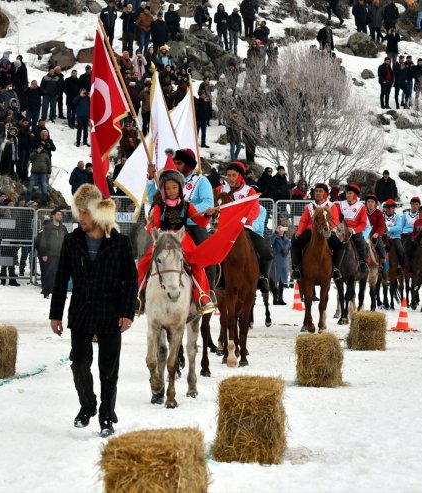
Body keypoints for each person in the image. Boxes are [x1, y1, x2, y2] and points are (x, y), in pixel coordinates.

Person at [49, 184, 138, 438]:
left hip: (110, 313)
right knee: (79, 364)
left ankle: (107, 415)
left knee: (108, 371)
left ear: (97, 212)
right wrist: (56, 314)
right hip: (80, 312)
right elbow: (60, 279)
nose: (81, 218)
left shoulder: (119, 242)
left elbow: (130, 280)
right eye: (78, 213)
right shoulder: (72, 240)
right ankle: (87, 405)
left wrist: (127, 312)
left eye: (84, 212)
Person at [136, 167, 215, 315]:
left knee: (196, 261)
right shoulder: (160, 206)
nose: (172, 191)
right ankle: (137, 295)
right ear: (163, 190)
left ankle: (202, 296)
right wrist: (152, 224)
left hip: (182, 237)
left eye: (174, 187)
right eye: (168, 188)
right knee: (144, 261)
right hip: (163, 237)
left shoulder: (187, 205)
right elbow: (154, 225)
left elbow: (200, 221)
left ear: (180, 188)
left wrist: (207, 215)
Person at [217, 161, 273, 291]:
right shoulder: (220, 190)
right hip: (224, 230)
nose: (230, 178)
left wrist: (240, 220)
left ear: (240, 176)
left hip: (244, 229)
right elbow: (213, 205)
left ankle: (262, 277)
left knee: (267, 252)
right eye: (228, 175)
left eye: (233, 175)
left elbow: (254, 210)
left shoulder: (249, 191)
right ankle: (217, 278)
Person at [331, 184, 369, 273]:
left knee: (360, 242)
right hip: (340, 230)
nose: (348, 195)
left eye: (350, 193)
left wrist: (354, 230)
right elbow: (335, 218)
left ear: (355, 195)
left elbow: (363, 224)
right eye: (347, 193)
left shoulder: (361, 207)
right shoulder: (340, 204)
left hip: (354, 231)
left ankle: (363, 262)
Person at [39, 209, 68, 299]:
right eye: (58, 214)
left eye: (61, 215)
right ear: (53, 216)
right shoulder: (48, 227)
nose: (60, 216)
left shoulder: (63, 227)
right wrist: (44, 254)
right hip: (51, 254)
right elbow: (43, 241)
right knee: (49, 273)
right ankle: (46, 292)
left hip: (61, 255)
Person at [365, 194, 387, 273]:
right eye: (368, 202)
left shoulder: (379, 213)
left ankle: (382, 265)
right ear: (366, 203)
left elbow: (382, 226)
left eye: (372, 202)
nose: (370, 203)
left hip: (375, 236)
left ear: (375, 203)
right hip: (364, 235)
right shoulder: (363, 212)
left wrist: (377, 234)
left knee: (381, 249)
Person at [382, 199, 405, 275]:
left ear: (394, 208)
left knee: (400, 249)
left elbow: (399, 227)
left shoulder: (398, 217)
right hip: (383, 237)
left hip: (395, 237)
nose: (388, 209)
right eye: (387, 208)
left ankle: (400, 266)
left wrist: (388, 229)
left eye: (391, 208)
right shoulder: (382, 216)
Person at [270, 225, 290, 305]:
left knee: (282, 281)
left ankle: (280, 298)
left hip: (284, 262)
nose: (281, 230)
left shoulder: (287, 240)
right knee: (275, 280)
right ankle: (275, 298)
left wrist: (286, 250)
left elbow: (289, 247)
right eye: (279, 228)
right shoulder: (275, 238)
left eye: (282, 228)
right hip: (276, 262)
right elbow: (270, 242)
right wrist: (275, 233)